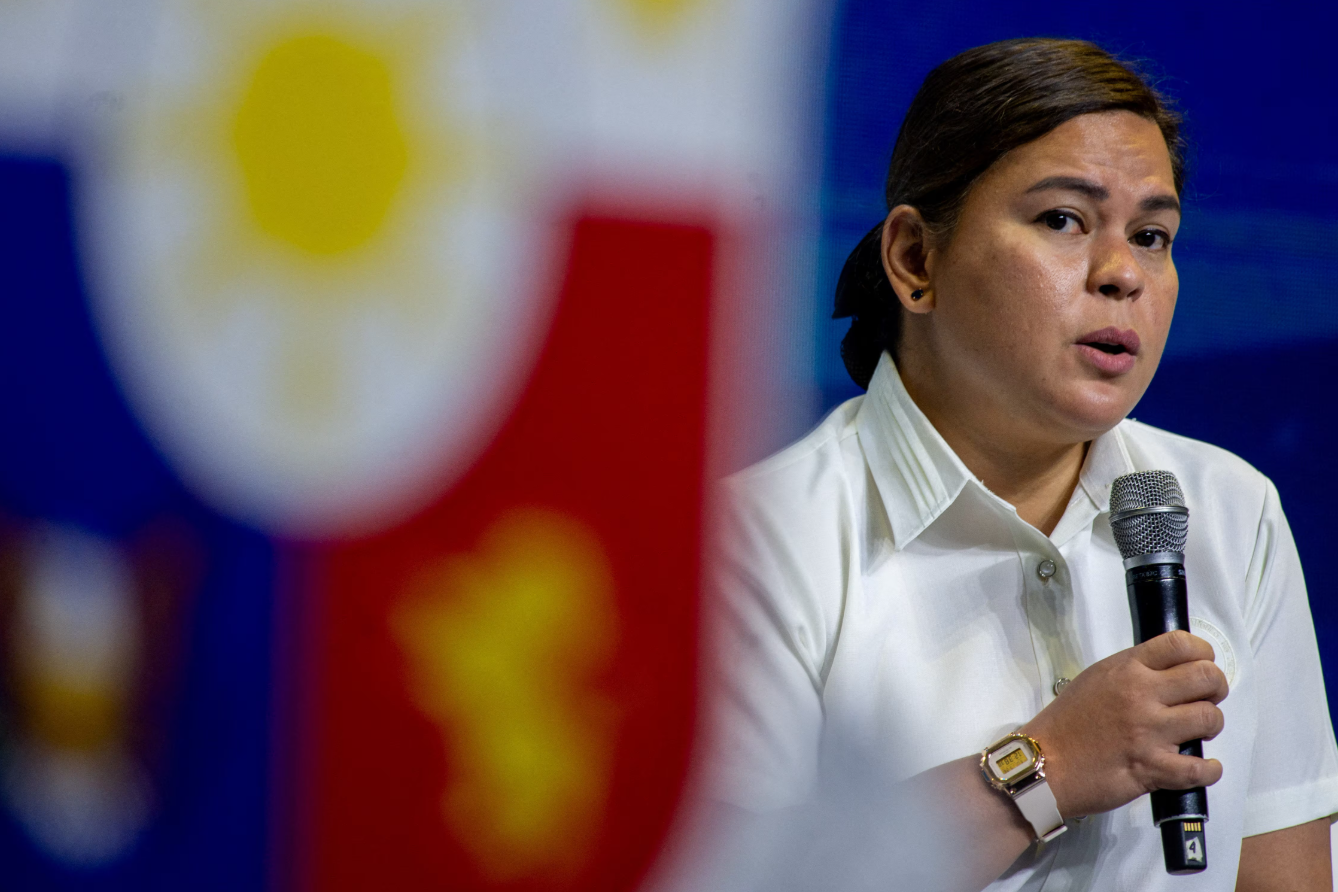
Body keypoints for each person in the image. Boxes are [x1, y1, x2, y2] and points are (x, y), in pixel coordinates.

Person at [705, 38, 1338, 892]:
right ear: (915, 261)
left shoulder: (1229, 509)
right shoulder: (754, 544)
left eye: (1153, 235)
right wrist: (1046, 768)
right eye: (1063, 220)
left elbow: (1283, 875)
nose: (1123, 274)